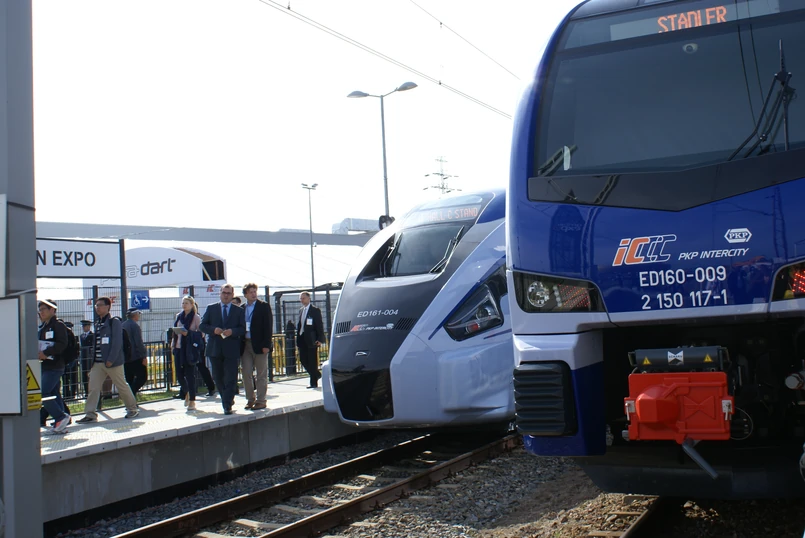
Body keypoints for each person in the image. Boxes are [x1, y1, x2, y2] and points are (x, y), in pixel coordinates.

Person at [77, 297, 140, 423]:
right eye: (96, 305)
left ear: (107, 307)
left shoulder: (114, 322)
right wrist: (93, 362)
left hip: (113, 362)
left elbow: (117, 342)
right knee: (93, 388)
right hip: (98, 363)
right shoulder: (97, 323)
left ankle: (132, 409)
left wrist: (111, 359)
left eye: (100, 305)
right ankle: (90, 414)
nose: (97, 307)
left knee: (122, 385)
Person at [200, 284, 246, 414]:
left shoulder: (238, 311)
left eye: (228, 293)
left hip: (231, 349)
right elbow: (202, 326)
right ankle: (226, 398)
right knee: (218, 377)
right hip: (215, 348)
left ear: (232, 295)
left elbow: (243, 329)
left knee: (230, 377)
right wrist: (213, 330)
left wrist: (232, 331)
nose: (226, 295)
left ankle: (227, 404)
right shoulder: (211, 308)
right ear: (220, 293)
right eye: (224, 293)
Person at [37, 299, 71, 433]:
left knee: (44, 393)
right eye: (40, 310)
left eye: (44, 309)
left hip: (55, 365)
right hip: (45, 365)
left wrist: (46, 352)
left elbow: (62, 344)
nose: (41, 312)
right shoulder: (43, 327)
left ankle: (60, 417)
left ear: (52, 310)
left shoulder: (58, 325)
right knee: (54, 393)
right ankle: (61, 423)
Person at [240, 283, 273, 410]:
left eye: (255, 291)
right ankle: (250, 399)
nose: (254, 294)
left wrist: (266, 345)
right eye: (251, 292)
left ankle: (261, 400)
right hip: (246, 344)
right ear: (245, 295)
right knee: (246, 372)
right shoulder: (242, 308)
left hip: (260, 344)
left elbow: (268, 326)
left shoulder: (263, 306)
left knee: (261, 373)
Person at [172, 296, 203, 411]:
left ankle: (192, 400)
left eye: (186, 303)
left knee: (190, 375)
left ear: (191, 305)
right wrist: (173, 344)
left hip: (189, 349)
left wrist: (188, 333)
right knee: (179, 375)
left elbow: (201, 334)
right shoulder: (179, 316)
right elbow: (175, 332)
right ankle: (187, 392)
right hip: (178, 347)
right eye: (183, 303)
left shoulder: (196, 317)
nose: (184, 305)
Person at [296, 291, 324, 389]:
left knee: (312, 360)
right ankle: (316, 374)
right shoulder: (301, 310)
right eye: (300, 298)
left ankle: (313, 382)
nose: (302, 300)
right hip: (302, 338)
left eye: (303, 298)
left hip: (312, 339)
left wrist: (320, 338)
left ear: (309, 298)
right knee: (303, 359)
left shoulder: (315, 310)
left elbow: (319, 325)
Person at [122, 308, 148, 396]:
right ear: (135, 315)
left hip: (125, 357)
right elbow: (138, 342)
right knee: (142, 377)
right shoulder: (135, 326)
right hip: (136, 356)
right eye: (138, 314)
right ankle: (131, 394)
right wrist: (143, 356)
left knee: (129, 379)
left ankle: (130, 400)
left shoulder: (123, 325)